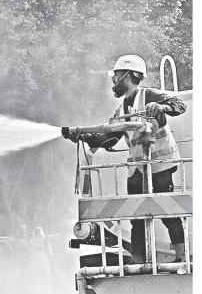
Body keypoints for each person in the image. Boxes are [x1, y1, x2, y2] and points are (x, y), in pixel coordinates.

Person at [66, 54, 187, 266]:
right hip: (137, 170)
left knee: (169, 213)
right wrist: (81, 135)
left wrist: (161, 107)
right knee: (136, 217)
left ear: (129, 75)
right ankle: (137, 262)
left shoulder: (149, 95)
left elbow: (179, 105)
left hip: (160, 164)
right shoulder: (121, 109)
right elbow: (108, 138)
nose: (113, 80)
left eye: (116, 75)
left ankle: (182, 258)